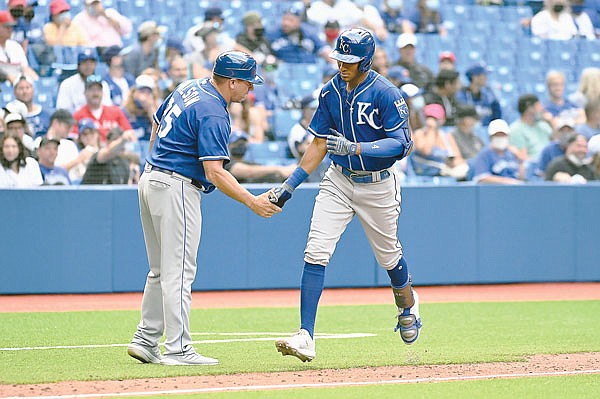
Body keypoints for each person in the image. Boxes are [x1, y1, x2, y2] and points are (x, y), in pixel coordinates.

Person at [270, 29, 420, 363]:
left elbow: (402, 143)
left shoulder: (386, 92)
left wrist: (356, 147)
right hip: (339, 179)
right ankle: (305, 335)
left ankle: (407, 306)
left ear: (366, 60)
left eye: (350, 60)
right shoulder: (330, 91)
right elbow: (319, 142)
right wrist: (290, 185)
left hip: (378, 184)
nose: (342, 65)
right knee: (315, 250)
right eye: (340, 58)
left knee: (389, 258)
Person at [127, 51, 280, 366]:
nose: (250, 89)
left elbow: (156, 122)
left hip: (153, 178)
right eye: (247, 83)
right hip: (177, 186)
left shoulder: (190, 86)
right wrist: (252, 201)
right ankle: (178, 348)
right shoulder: (213, 110)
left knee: (160, 270)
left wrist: (154, 164)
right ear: (232, 81)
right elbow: (214, 172)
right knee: (179, 271)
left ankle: (146, 339)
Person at [410, 103, 468, 179]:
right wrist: (431, 129)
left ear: (442, 119)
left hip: (447, 173)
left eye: (435, 118)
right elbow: (426, 151)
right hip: (426, 174)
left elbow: (458, 158)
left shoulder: (447, 136)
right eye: (429, 117)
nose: (431, 120)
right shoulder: (419, 134)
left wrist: (452, 163)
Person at [72, 74, 133, 143]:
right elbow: (75, 139)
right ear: (85, 93)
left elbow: (129, 133)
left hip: (115, 151)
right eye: (92, 90)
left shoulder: (116, 112)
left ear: (102, 92)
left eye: (98, 90)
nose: (95, 93)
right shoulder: (77, 115)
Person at [225, 130, 296, 183]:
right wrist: (278, 169)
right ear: (229, 145)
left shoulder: (251, 163)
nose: (240, 145)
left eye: (243, 143)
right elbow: (249, 172)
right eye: (237, 143)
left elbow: (265, 173)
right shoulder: (226, 163)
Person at [55, 48, 113, 113]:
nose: (88, 66)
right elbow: (62, 111)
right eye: (85, 63)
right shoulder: (67, 84)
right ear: (79, 65)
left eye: (91, 63)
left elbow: (108, 109)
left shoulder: (103, 84)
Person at [472, 119, 524, 184]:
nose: (500, 137)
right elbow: (482, 177)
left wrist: (520, 161)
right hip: (494, 191)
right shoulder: (484, 154)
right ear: (490, 137)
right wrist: (507, 182)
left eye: (503, 135)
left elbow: (521, 178)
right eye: (497, 135)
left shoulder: (512, 153)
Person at [509, 94, 553, 162]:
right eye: (539, 106)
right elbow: (523, 158)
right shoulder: (516, 130)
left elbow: (555, 142)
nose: (542, 108)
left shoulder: (543, 125)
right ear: (530, 108)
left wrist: (552, 122)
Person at [0, 10, 37, 83]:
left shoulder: (15, 46)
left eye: (11, 27)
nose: (10, 30)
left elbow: (25, 68)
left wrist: (36, 81)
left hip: (18, 84)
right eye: (6, 27)